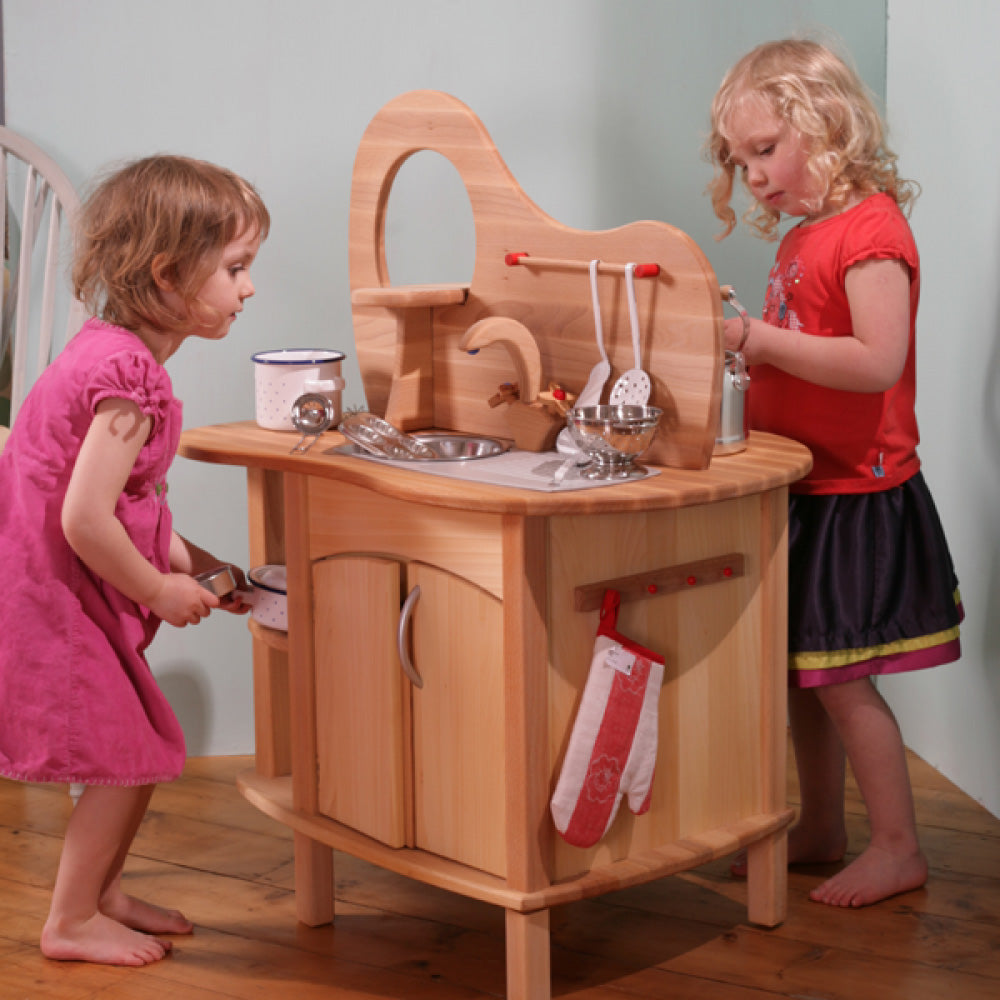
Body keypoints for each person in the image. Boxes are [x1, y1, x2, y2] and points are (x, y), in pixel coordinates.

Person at [706, 39, 962, 908]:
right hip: (810, 485)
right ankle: (821, 826)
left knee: (846, 682)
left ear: (830, 126)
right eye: (742, 162)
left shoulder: (872, 230)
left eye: (767, 149)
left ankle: (898, 847)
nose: (756, 177)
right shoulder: (809, 238)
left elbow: (876, 360)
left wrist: (756, 340)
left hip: (861, 492)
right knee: (802, 673)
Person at [0, 155, 269, 964]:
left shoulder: (110, 353)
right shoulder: (126, 377)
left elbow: (125, 507)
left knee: (135, 752)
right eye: (235, 268)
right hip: (54, 600)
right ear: (166, 275)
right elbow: (85, 521)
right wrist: (158, 585)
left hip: (54, 589)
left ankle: (101, 890)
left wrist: (212, 568)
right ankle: (70, 920)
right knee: (128, 755)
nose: (247, 288)